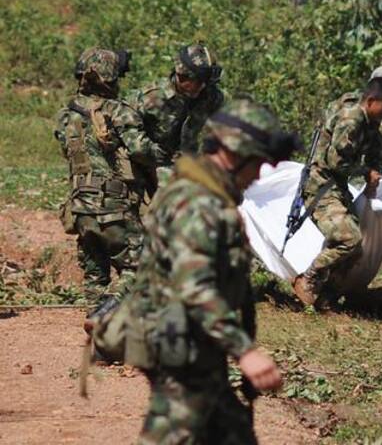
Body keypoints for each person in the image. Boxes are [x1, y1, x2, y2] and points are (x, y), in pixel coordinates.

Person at [136, 96, 297, 444]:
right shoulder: (199, 203)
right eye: (257, 164)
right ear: (235, 154)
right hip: (181, 351)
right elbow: (194, 287)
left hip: (197, 346)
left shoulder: (205, 195)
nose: (257, 176)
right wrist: (245, 351)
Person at [54, 48, 159, 310]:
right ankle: (109, 309)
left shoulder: (66, 115)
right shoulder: (119, 111)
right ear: (111, 79)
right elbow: (142, 151)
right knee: (141, 265)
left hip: (80, 209)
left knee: (95, 276)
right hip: (115, 208)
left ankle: (97, 321)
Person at [291, 76, 382, 306]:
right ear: (371, 101)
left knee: (356, 251)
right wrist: (366, 172)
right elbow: (336, 162)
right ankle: (307, 279)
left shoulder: (370, 124)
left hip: (336, 187)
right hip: (320, 187)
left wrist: (375, 171)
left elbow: (377, 151)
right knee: (349, 239)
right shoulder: (351, 120)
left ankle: (326, 296)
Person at [133, 44, 224, 179]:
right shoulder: (151, 98)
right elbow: (127, 130)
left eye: (206, 83)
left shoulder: (211, 97)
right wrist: (154, 153)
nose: (202, 87)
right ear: (181, 76)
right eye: (197, 81)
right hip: (148, 163)